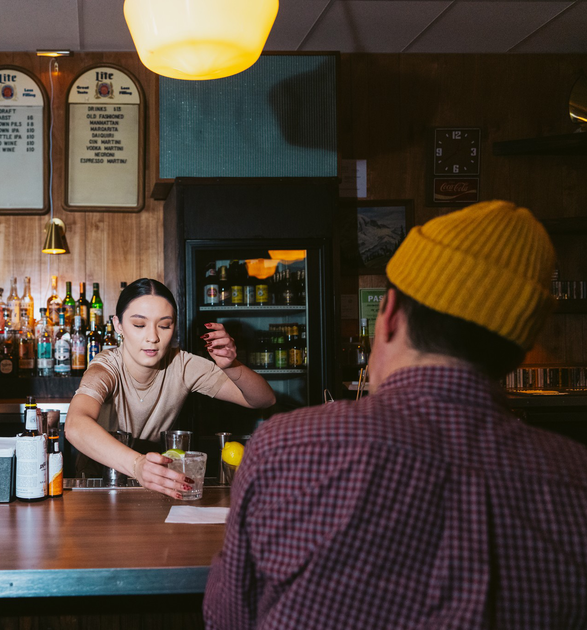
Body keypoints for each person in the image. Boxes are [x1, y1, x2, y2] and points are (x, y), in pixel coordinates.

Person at [204, 200, 587, 629]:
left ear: (388, 316)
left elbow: (228, 618)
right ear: (515, 352)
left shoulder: (286, 446)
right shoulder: (576, 484)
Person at [65, 278, 277, 499]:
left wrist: (231, 365)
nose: (153, 337)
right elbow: (74, 425)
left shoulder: (183, 365)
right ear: (118, 325)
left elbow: (263, 400)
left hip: (156, 478)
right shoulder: (106, 367)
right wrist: (137, 464)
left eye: (164, 325)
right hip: (99, 480)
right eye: (139, 325)